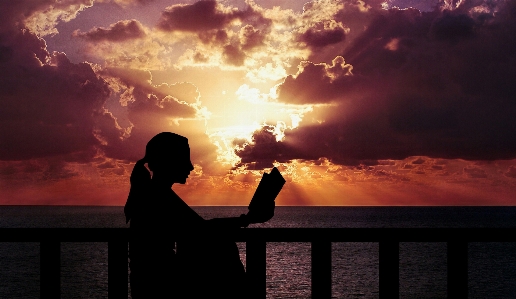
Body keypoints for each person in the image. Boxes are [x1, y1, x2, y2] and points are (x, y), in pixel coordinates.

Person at [124, 132, 273, 298]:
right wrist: (248, 219)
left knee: (220, 245)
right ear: (169, 160)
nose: (191, 166)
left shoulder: (155, 192)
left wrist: (246, 220)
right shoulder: (157, 195)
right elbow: (202, 228)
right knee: (223, 247)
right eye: (185, 159)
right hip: (158, 287)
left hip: (153, 283)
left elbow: (199, 227)